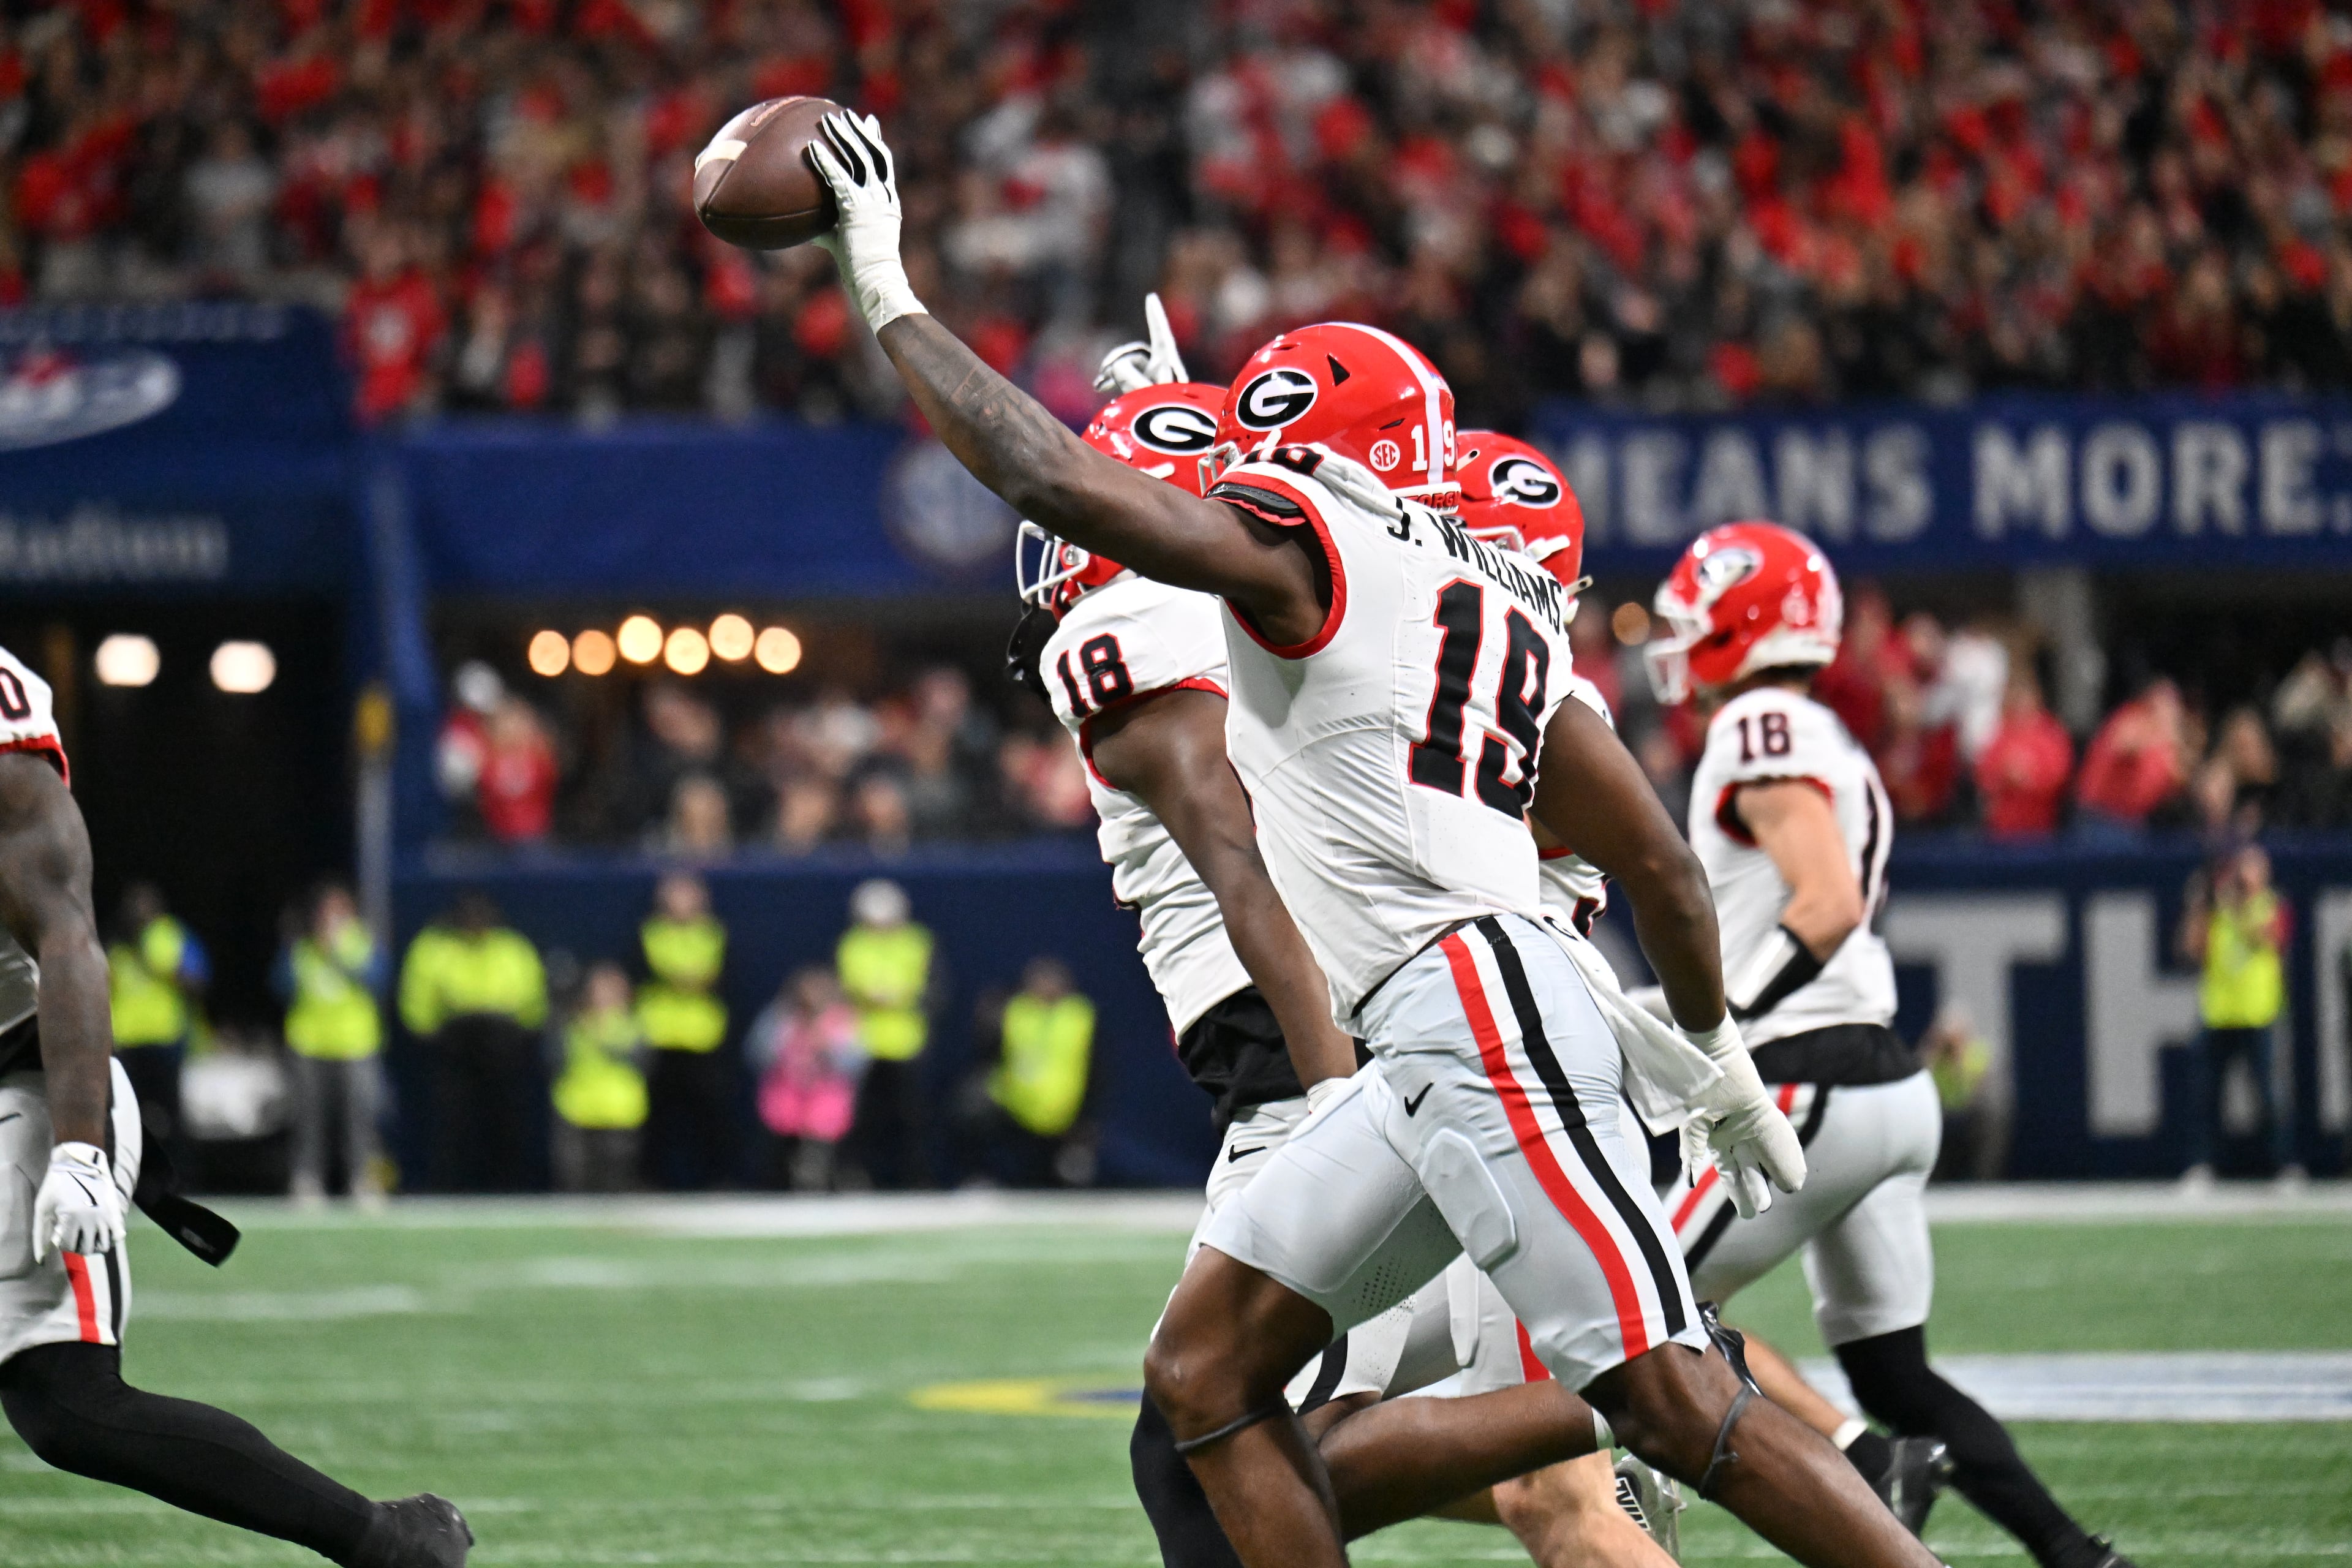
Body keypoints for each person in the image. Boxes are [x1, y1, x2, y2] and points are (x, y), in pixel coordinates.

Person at [812, 117, 1928, 1568]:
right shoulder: (1506, 610)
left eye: (1256, 452)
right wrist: (1713, 1052)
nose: (1235, 473)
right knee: (1201, 1381)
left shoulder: (1311, 552)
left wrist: (889, 290)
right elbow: (1654, 859)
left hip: (1464, 1006)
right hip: (1438, 1025)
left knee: (1668, 1400)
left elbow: (1057, 484)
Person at [1019, 355, 1672, 1568]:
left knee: (1204, 1445)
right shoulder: (1451, 622)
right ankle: (1647, 1392)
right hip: (1501, 1034)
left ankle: (1650, 1388)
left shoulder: (1162, 617)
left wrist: (1334, 1099)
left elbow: (1247, 854)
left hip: (1355, 1060)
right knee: (1550, 1494)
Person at [1642, 521, 2136, 1568]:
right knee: (1896, 1368)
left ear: (1744, 621)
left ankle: (1860, 1467)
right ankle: (2077, 1555)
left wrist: (1710, 1025)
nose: (1677, 638)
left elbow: (1820, 903)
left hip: (1805, 1077)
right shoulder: (1816, 732)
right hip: (1878, 1080)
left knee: (1630, 1304)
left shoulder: (1759, 722)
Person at [0, 643, 472, 1566]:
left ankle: (386, 1542)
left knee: (68, 1406)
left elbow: (66, 937)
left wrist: (81, 1151)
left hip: (18, 1077)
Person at [398, 894, 547, 1192]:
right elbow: (416, 997)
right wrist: (428, 1033)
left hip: (502, 1046)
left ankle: (507, 1187)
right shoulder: (434, 947)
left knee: (506, 1122)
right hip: (454, 1046)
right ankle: (449, 1187)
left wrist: (522, 1034)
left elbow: (533, 999)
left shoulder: (512, 948)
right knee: (452, 1123)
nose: (476, 926)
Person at [2178, 842, 2297, 1188]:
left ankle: (2284, 1164)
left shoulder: (2271, 905)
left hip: (2259, 1014)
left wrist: (2235, 905)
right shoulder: (2216, 911)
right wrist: (2198, 907)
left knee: (2271, 1097)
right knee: (2206, 1097)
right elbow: (2191, 950)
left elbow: (2272, 938)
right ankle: (2202, 1164)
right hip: (2219, 1014)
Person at [274, 883, 388, 1205]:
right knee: (308, 1118)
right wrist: (296, 945)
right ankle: (307, 1180)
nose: (330, 918)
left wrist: (337, 954)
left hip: (355, 1044)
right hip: (309, 1043)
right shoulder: (301, 948)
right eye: (325, 911)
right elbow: (282, 987)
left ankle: (363, 1180)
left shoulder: (361, 944)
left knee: (360, 1118)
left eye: (338, 911)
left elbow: (378, 982)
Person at [635, 872, 731, 1189]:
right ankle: (650, 1181)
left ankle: (715, 1180)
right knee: (656, 1116)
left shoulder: (713, 934)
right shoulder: (651, 933)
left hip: (701, 1037)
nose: (682, 904)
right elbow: (660, 972)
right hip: (660, 1035)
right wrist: (686, 978)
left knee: (709, 1115)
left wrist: (688, 979)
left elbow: (713, 976)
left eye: (688, 896)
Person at [837, 878, 933, 1188]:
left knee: (910, 1117)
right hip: (862, 1043)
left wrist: (896, 996)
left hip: (906, 1042)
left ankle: (914, 1179)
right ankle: (857, 1177)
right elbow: (851, 986)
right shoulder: (853, 943)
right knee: (862, 1118)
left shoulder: (917, 941)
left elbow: (928, 988)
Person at [105, 881, 207, 1158]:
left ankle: (182, 1177)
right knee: (123, 1114)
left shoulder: (172, 935)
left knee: (173, 1114)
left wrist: (164, 967)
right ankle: (124, 1174)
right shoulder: (117, 947)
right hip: (127, 1040)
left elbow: (198, 980)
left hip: (165, 1038)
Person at [981, 956, 1095, 1188]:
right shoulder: (1015, 1010)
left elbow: (1097, 1068)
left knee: (1069, 1173)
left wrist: (1088, 1115)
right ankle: (984, 1178)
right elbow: (991, 1054)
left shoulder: (1079, 1015)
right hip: (1017, 1109)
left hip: (1067, 1113)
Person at [748, 968, 865, 1191]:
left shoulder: (842, 1020)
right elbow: (757, 1053)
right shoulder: (781, 1017)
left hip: (825, 1099)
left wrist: (828, 1049)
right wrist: (787, 1048)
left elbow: (855, 1063)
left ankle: (825, 1183)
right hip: (787, 1097)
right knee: (778, 1150)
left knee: (821, 1146)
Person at [551, 962, 647, 1194]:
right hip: (577, 1113)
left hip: (620, 1115)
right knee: (577, 1185)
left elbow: (643, 1061)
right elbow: (554, 1059)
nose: (605, 997)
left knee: (616, 1186)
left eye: (612, 990)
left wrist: (604, 1038)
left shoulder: (634, 1026)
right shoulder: (570, 1025)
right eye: (599, 990)